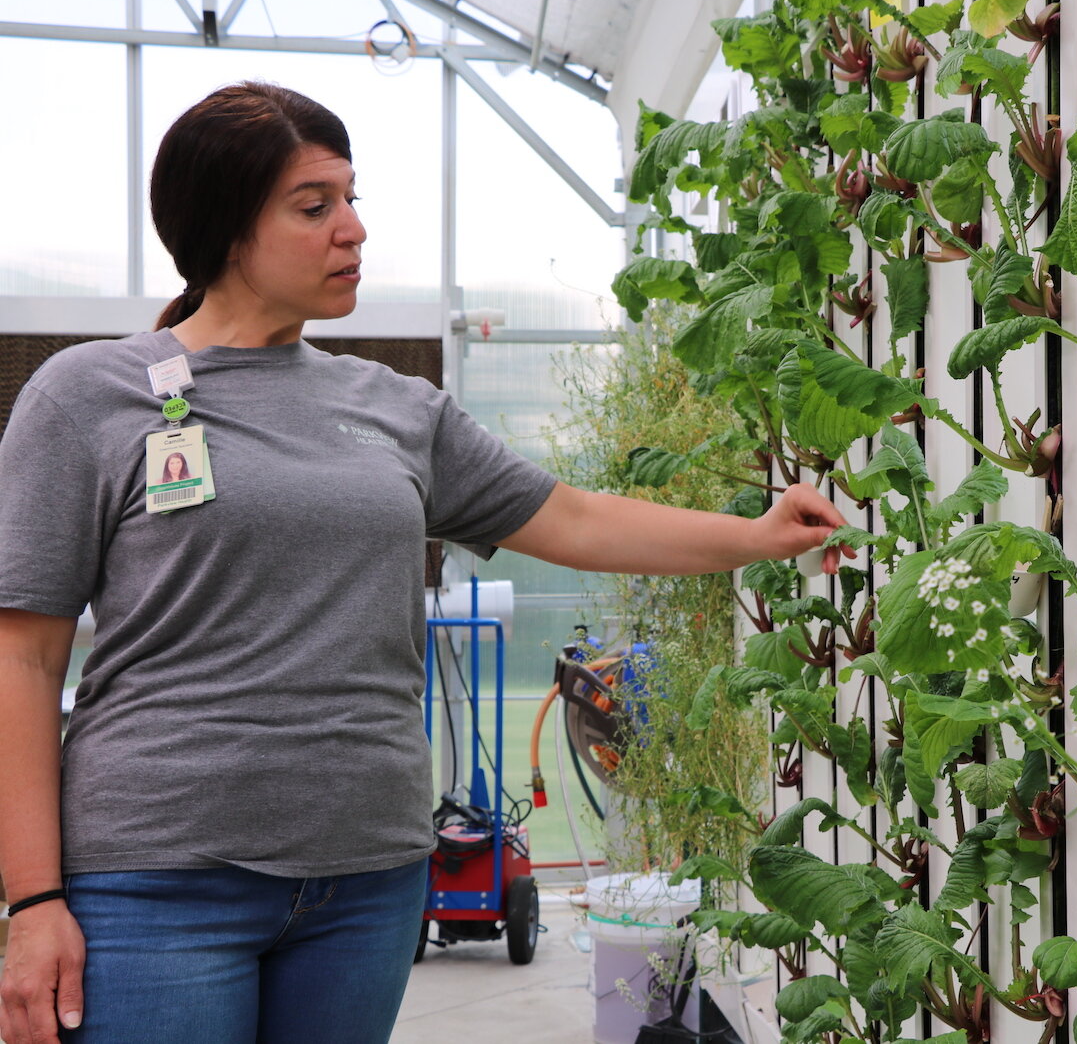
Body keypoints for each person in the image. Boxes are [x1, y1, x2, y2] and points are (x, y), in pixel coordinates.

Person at [0, 82, 851, 1044]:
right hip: (158, 884)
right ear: (223, 227)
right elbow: (23, 661)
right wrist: (32, 901)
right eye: (314, 206)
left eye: (353, 198)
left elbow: (571, 518)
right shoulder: (87, 398)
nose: (353, 229)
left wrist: (759, 532)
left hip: (366, 882)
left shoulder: (397, 409)